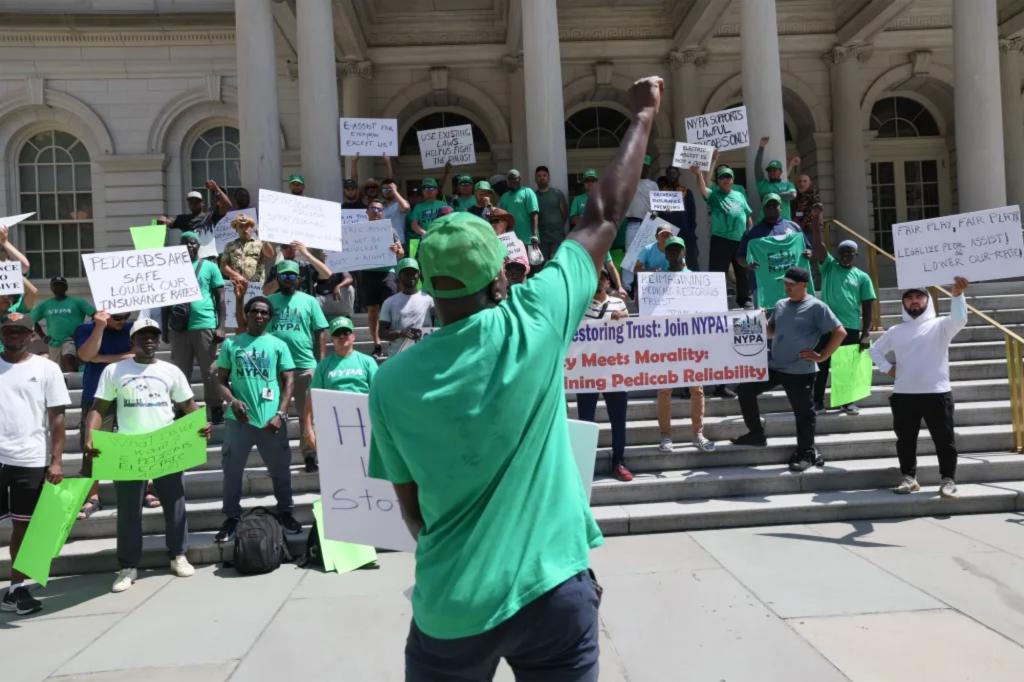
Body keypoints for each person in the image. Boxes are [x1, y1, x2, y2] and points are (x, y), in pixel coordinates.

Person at [367, 74, 664, 681]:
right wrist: (642, 117)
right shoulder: (536, 319)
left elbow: (412, 509)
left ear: (425, 286)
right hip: (553, 589)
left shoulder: (389, 382)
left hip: (452, 605)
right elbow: (604, 214)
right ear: (500, 280)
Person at [84, 318, 212, 592]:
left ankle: (178, 554)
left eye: (153, 335)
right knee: (129, 511)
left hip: (166, 444)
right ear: (133, 340)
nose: (149, 340)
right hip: (129, 447)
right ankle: (128, 566)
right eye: (143, 336)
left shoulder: (171, 371)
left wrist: (201, 422)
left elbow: (188, 404)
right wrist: (90, 434)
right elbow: (98, 407)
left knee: (174, 503)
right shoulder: (114, 370)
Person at [732, 267, 846, 472]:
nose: (787, 288)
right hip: (775, 366)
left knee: (804, 413)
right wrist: (758, 320)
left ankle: (806, 452)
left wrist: (822, 356)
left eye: (791, 284)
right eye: (785, 284)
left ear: (804, 285)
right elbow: (771, 332)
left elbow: (840, 332)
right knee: (745, 390)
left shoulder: (817, 307)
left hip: (800, 371)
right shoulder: (781, 304)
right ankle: (756, 433)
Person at [870, 277, 969, 499]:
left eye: (919, 297)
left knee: (945, 440)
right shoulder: (896, 330)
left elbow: (960, 319)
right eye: (909, 298)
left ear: (928, 300)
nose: (914, 302)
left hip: (937, 393)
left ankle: (948, 480)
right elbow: (874, 350)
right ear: (904, 303)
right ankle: (909, 478)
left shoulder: (941, 325)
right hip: (904, 394)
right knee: (905, 441)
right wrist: (888, 368)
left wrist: (957, 295)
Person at [0, 314, 70, 616]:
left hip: (29, 459)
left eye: (20, 331)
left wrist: (56, 461)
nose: (14, 335)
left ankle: (16, 588)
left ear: (31, 335)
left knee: (23, 528)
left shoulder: (47, 369)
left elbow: (57, 418)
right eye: (8, 330)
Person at [214, 297, 300, 541]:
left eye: (264, 313)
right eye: (255, 312)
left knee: (281, 469)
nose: (259, 316)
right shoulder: (233, 344)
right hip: (239, 420)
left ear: (269, 317)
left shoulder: (278, 345)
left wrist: (281, 413)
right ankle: (231, 517)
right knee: (232, 470)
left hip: (271, 421)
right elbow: (220, 380)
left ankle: (285, 511)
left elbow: (289, 381)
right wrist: (232, 401)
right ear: (246, 314)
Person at [655, 237, 716, 454]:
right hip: (666, 343)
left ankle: (698, 433)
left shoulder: (695, 279)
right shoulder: (657, 280)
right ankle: (665, 435)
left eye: (677, 250)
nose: (674, 253)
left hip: (691, 342)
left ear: (684, 252)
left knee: (697, 390)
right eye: (670, 250)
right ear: (665, 254)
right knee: (664, 390)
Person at [267, 261, 328, 473]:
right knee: (274, 413)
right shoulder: (268, 301)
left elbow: (320, 330)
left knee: (308, 414)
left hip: (304, 366)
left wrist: (321, 362)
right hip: (276, 368)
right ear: (278, 279)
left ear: (299, 279)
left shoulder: (310, 301)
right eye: (284, 276)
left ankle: (310, 456)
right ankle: (277, 457)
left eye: (292, 276)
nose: (288, 280)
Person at [811, 224, 877, 415]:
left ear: (856, 255)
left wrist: (865, 333)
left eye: (850, 252)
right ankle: (817, 402)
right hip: (825, 326)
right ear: (837, 253)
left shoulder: (862, 277)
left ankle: (847, 402)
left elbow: (867, 306)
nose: (846, 255)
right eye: (843, 252)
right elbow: (818, 246)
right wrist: (817, 222)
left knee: (847, 366)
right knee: (821, 364)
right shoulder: (829, 267)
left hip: (850, 327)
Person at [74, 310, 134, 519]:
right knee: (92, 446)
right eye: (117, 317)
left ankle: (147, 487)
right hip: (96, 393)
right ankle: (93, 496)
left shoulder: (132, 328)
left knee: (136, 441)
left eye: (125, 317)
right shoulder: (85, 329)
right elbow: (85, 355)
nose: (122, 321)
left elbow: (138, 353)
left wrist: (102, 359)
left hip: (130, 392)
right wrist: (99, 327)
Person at [576, 268, 632, 481]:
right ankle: (583, 464)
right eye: (596, 277)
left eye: (603, 276)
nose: (600, 280)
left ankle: (619, 461)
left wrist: (624, 317)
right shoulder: (580, 305)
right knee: (586, 421)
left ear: (609, 282)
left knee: (618, 420)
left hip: (614, 371)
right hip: (587, 371)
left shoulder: (619, 304)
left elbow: (633, 332)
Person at [168, 231, 226, 424]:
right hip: (179, 327)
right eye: (185, 243)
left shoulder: (210, 267)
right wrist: (166, 325)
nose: (189, 246)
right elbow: (164, 300)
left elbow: (221, 298)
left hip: (204, 324)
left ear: (198, 246)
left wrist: (221, 326)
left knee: (210, 370)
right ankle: (182, 407)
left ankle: (215, 406)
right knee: (180, 371)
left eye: (193, 243)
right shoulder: (171, 268)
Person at [302, 316, 379, 453]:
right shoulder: (323, 366)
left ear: (353, 336)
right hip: (333, 424)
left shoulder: (368, 362)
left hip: (364, 422)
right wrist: (308, 427)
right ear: (332, 338)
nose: (342, 336)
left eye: (346, 332)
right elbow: (311, 396)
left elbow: (378, 393)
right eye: (337, 334)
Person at [692, 160, 753, 308]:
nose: (726, 179)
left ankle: (744, 299)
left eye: (728, 177)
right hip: (721, 240)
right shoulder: (714, 195)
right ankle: (716, 302)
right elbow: (702, 188)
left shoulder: (739, 194)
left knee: (743, 272)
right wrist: (698, 174)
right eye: (722, 177)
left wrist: (749, 233)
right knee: (718, 274)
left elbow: (748, 215)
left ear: (732, 180)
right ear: (718, 181)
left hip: (740, 240)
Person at [738, 194, 812, 309]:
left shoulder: (794, 228)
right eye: (768, 205)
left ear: (781, 207)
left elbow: (807, 248)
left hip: (793, 287)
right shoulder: (752, 233)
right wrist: (748, 264)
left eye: (775, 204)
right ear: (763, 209)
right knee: (768, 323)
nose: (771, 207)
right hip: (764, 288)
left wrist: (808, 253)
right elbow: (740, 257)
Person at [220, 213, 275, 329]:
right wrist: (236, 275)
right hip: (237, 288)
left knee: (257, 320)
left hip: (254, 288)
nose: (245, 229)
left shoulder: (259, 244)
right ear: (236, 229)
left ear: (252, 228)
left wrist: (264, 240)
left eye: (247, 226)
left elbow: (270, 254)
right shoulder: (230, 245)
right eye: (241, 226)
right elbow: (223, 265)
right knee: (238, 321)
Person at [31, 276, 95, 372]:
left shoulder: (77, 301)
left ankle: (72, 385)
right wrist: (43, 336)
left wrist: (85, 334)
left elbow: (95, 315)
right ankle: (63, 386)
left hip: (72, 340)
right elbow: (31, 320)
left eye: (61, 285)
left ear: (66, 288)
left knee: (68, 358)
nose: (58, 288)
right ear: (51, 288)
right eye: (55, 285)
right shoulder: (45, 305)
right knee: (56, 369)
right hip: (53, 343)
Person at [379, 259, 435, 356]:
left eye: (414, 273)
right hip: (398, 356)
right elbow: (382, 333)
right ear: (398, 277)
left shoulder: (429, 299)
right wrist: (401, 333)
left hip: (424, 354)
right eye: (406, 273)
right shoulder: (389, 302)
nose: (411, 276)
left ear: (419, 275)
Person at [657, 167, 699, 270]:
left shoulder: (686, 192)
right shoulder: (661, 193)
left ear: (678, 174)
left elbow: (692, 214)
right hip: (669, 232)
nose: (671, 175)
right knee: (669, 260)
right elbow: (658, 214)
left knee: (690, 261)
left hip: (685, 233)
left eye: (674, 173)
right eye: (669, 173)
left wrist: (691, 232)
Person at [262, 241, 332, 297]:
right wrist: (283, 277)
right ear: (281, 249)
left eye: (292, 246)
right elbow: (266, 292)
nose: (289, 249)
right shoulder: (276, 268)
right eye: (285, 246)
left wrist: (306, 254)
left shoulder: (306, 267)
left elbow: (327, 274)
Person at [754, 136, 798, 222]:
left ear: (781, 172)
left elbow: (792, 195)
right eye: (769, 170)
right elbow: (757, 167)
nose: (772, 172)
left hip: (784, 223)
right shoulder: (762, 184)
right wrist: (761, 147)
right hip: (764, 223)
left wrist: (770, 195)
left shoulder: (788, 184)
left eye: (775, 170)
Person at [497, 168, 540, 245]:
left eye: (514, 178)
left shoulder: (527, 192)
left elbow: (534, 214)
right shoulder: (504, 197)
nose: (512, 181)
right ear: (507, 181)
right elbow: (501, 218)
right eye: (510, 179)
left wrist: (534, 235)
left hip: (528, 240)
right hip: (511, 242)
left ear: (520, 179)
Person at [535, 165, 568, 259]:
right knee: (544, 264)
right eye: (539, 176)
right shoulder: (533, 196)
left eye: (544, 175)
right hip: (542, 237)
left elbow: (564, 212)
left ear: (548, 178)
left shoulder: (557, 193)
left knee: (557, 261)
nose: (542, 178)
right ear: (535, 179)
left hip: (557, 235)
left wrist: (558, 226)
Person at [791, 172, 820, 237]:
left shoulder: (814, 194)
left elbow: (816, 210)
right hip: (795, 227)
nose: (802, 184)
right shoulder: (794, 195)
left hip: (809, 227)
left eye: (805, 181)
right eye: (800, 181)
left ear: (810, 183)